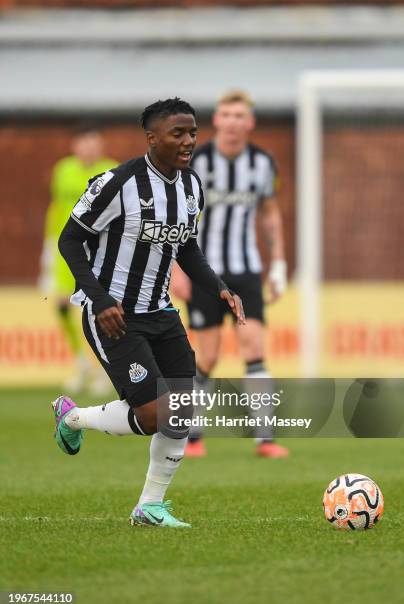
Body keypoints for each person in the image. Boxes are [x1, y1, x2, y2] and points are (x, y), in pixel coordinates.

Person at [52, 98, 245, 528]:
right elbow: (69, 241)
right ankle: (73, 418)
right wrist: (100, 300)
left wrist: (219, 288)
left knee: (183, 409)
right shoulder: (117, 184)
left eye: (193, 132)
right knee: (155, 413)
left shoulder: (191, 186)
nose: (188, 141)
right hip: (115, 315)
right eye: (178, 133)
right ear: (152, 137)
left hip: (161, 311)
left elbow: (187, 248)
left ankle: (150, 507)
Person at [170, 90, 288, 458]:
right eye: (226, 115)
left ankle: (265, 439)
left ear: (249, 122)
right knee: (207, 356)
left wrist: (279, 263)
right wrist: (174, 268)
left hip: (246, 271)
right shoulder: (195, 161)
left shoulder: (262, 163)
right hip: (203, 272)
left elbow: (269, 211)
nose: (233, 122)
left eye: (240, 116)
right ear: (217, 120)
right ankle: (192, 436)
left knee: (254, 348)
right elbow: (171, 213)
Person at [39, 124, 117, 393]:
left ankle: (104, 370)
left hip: (97, 252)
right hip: (65, 250)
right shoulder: (63, 170)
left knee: (98, 310)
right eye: (83, 142)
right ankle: (81, 361)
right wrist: (49, 245)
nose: (88, 147)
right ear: (75, 146)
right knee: (61, 306)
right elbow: (56, 208)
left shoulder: (111, 171)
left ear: (101, 145)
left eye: (93, 142)